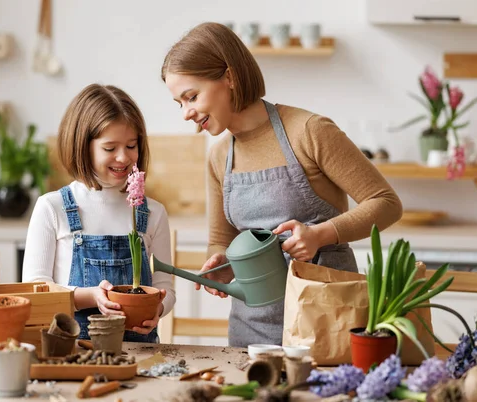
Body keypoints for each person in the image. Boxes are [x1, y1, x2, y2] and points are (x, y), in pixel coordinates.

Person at [161, 22, 402, 347]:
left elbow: (386, 202)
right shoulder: (219, 156)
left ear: (229, 77)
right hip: (252, 330)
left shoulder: (310, 131)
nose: (186, 113)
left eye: (191, 97)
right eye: (179, 103)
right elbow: (221, 238)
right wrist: (220, 263)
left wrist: (320, 234)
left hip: (326, 319)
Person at [22, 84, 175, 343]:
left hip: (140, 355)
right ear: (83, 146)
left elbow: (165, 288)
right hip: (72, 354)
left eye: (131, 145)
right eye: (109, 148)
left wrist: (157, 309)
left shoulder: (153, 213)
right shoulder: (52, 208)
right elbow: (37, 290)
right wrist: (91, 296)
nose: (123, 157)